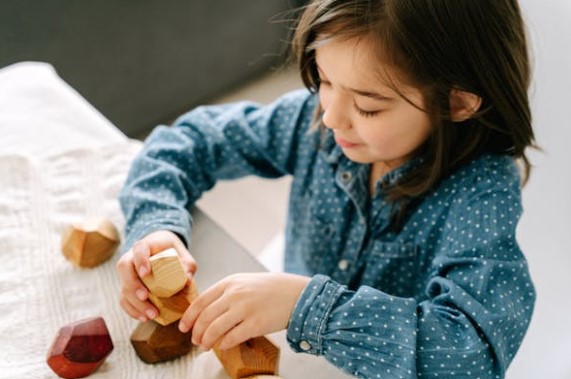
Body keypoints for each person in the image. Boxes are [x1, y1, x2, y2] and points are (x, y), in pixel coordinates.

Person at [117, 0, 537, 377]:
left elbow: (472, 355)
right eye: (324, 79)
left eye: (367, 106)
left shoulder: (481, 195)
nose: (332, 117)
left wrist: (307, 305)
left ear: (456, 103)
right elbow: (186, 143)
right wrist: (157, 227)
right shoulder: (314, 120)